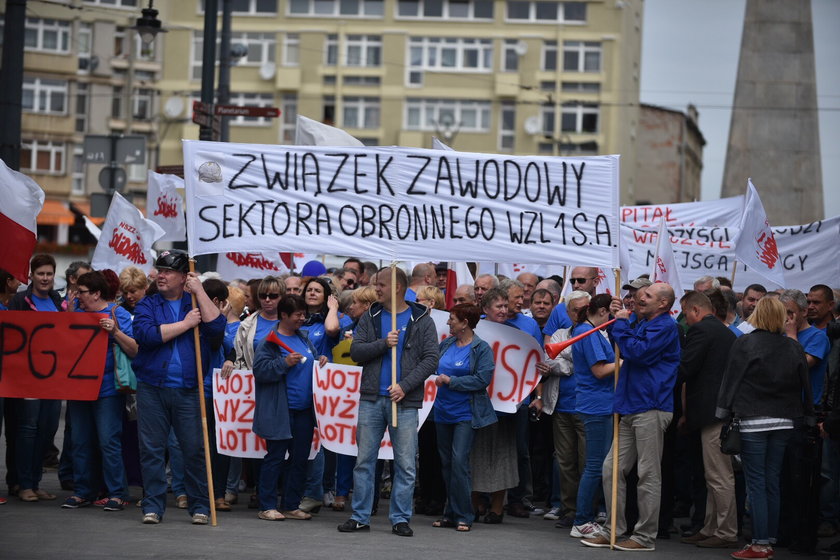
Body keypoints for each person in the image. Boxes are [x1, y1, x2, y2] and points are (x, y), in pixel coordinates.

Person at [338, 266, 439, 536]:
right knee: (364, 462)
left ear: (396, 286)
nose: (376, 289)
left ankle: (400, 518)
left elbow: (431, 359)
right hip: (371, 399)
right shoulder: (370, 316)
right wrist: (384, 343)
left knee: (405, 464)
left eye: (380, 284)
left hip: (404, 403)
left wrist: (405, 386)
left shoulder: (422, 319)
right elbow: (356, 352)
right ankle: (360, 516)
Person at [582, 282, 680, 552]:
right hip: (629, 406)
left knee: (648, 474)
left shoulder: (665, 326)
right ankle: (614, 528)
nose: (640, 297)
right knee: (611, 470)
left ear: (663, 303)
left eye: (647, 295)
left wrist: (621, 324)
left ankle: (645, 536)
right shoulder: (642, 322)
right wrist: (619, 321)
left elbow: (638, 352)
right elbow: (626, 346)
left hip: (651, 406)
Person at [716, 297, 814, 560]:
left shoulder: (745, 343)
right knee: (771, 481)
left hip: (753, 418)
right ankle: (767, 538)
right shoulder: (793, 346)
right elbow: (804, 383)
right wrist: (808, 416)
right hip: (785, 420)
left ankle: (760, 544)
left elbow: (731, 379)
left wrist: (722, 413)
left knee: (757, 482)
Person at [131, 250, 225, 525]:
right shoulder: (148, 304)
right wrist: (185, 324)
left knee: (194, 449)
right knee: (152, 449)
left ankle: (200, 506)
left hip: (188, 388)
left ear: (185, 277)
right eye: (159, 270)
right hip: (152, 387)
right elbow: (146, 336)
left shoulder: (195, 300)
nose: (161, 275)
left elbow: (217, 329)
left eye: (168, 271)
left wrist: (201, 292)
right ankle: (153, 506)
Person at [61, 271, 136, 511]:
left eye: (81, 292)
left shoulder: (118, 313)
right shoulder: (77, 314)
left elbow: (135, 349)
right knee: (80, 441)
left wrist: (115, 332)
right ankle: (84, 491)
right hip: (80, 387)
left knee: (108, 441)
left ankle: (117, 493)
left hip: (107, 389)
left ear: (96, 293)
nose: (77, 296)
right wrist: (69, 317)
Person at [252, 294, 328, 521]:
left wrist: (321, 359)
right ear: (284, 315)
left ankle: (290, 504)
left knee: (300, 458)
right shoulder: (269, 342)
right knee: (275, 456)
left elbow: (313, 360)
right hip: (280, 410)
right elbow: (260, 371)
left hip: (304, 410)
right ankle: (267, 505)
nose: (302, 319)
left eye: (304, 314)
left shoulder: (303, 338)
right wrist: (283, 363)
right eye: (298, 315)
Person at [676, 291, 739, 549]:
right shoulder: (723, 331)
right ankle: (711, 527)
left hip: (712, 413)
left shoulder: (702, 331)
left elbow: (686, 367)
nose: (685, 319)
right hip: (716, 411)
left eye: (685, 313)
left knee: (719, 476)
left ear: (695, 311)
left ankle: (725, 531)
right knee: (713, 475)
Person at [8, 254, 68, 502]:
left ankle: (34, 481)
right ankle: (23, 484)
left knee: (46, 431)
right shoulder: (20, 301)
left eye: (49, 274)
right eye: (41, 273)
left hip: (52, 380)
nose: (45, 278)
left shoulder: (57, 300)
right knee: (27, 430)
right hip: (27, 379)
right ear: (31, 276)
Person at [432, 303, 496, 532]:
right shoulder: (447, 343)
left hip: (466, 414)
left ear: (464, 323)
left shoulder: (481, 349)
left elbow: (482, 380)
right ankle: (450, 513)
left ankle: (465, 515)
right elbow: (431, 367)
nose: (448, 322)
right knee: (447, 464)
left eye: (452, 319)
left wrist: (452, 381)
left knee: (459, 463)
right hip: (442, 411)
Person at [569, 294, 619, 538]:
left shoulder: (589, 330)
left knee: (597, 464)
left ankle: (585, 517)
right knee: (595, 465)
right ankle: (581, 520)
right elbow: (600, 371)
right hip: (597, 404)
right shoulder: (589, 333)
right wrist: (623, 361)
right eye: (610, 313)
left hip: (599, 403)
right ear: (601, 312)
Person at [540, 290, 591, 529]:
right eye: (575, 309)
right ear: (567, 312)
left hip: (586, 407)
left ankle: (587, 510)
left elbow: (583, 359)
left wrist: (564, 358)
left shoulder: (596, 332)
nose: (579, 314)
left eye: (584, 309)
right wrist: (567, 362)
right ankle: (570, 510)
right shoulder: (560, 333)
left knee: (586, 461)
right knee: (565, 461)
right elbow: (547, 359)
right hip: (561, 406)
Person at [469, 287, 518, 524]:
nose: (504, 310)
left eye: (506, 306)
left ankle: (497, 507)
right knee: (474, 454)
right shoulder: (473, 332)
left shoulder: (516, 334)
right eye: (498, 306)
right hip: (477, 404)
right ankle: (475, 503)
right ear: (485, 309)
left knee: (502, 455)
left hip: (504, 407)